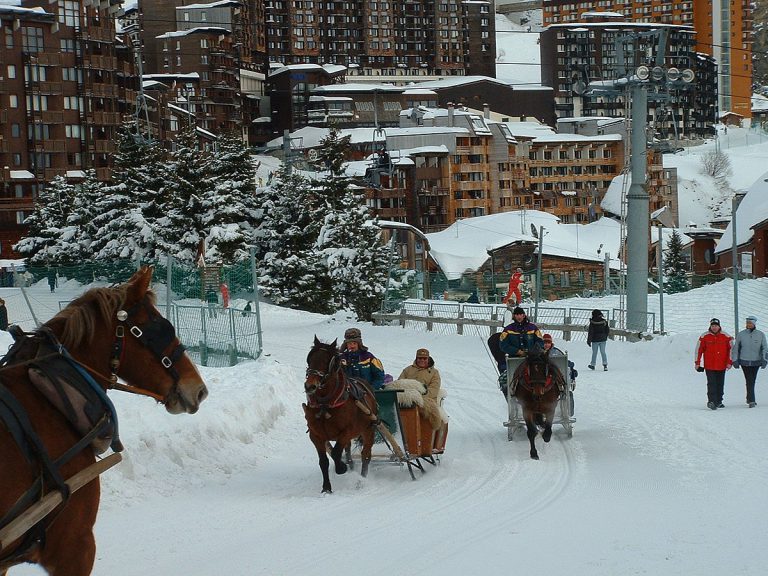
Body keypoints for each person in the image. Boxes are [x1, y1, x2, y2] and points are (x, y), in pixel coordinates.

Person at [694, 318, 733, 410]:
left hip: (722, 365)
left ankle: (719, 401)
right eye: (712, 326)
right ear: (710, 326)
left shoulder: (726, 336)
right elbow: (698, 350)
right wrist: (697, 363)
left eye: (716, 326)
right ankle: (711, 401)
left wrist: (729, 362)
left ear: (719, 326)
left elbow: (731, 350)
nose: (714, 327)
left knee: (720, 383)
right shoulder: (704, 336)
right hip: (709, 365)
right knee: (711, 383)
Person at [731, 315, 768, 408]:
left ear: (754, 324)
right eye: (747, 323)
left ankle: (749, 397)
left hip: (756, 361)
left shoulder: (760, 334)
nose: (748, 324)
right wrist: (735, 360)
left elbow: (765, 348)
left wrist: (764, 359)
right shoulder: (741, 334)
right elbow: (736, 348)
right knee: (749, 379)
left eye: (750, 323)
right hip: (745, 361)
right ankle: (751, 400)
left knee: (752, 380)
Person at [542, 333, 577, 416]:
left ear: (551, 343)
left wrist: (571, 367)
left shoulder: (556, 352)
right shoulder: (539, 352)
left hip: (554, 378)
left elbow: (565, 362)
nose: (546, 345)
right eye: (544, 343)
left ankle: (567, 412)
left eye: (548, 343)